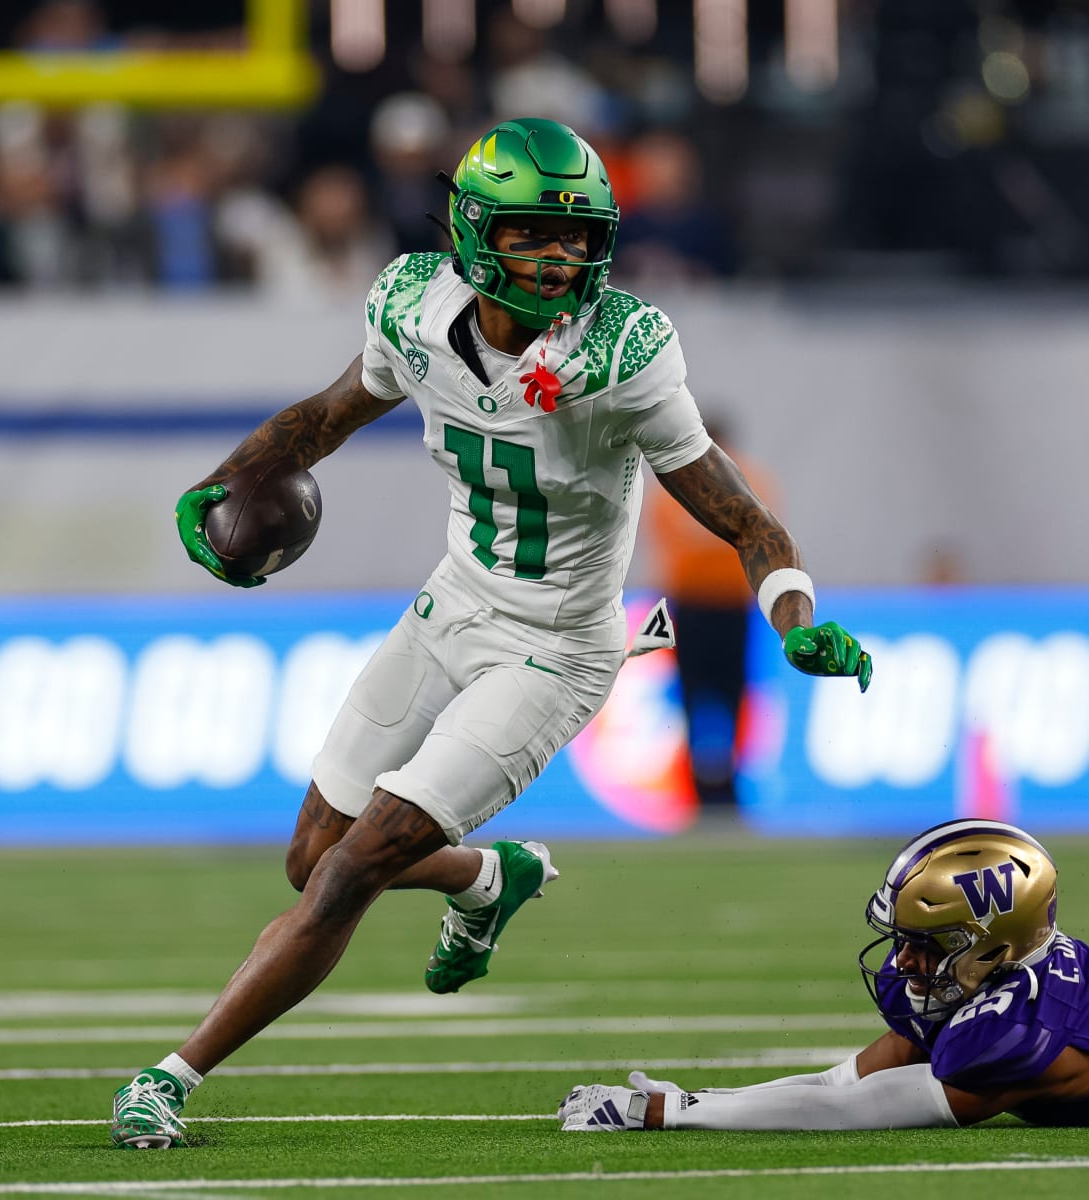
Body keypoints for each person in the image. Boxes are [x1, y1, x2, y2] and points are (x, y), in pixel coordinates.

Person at [109, 117, 874, 1149]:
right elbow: (326, 417)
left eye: (577, 237)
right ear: (474, 233)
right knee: (312, 856)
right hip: (449, 607)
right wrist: (223, 482)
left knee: (349, 870)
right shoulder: (415, 303)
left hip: (555, 649)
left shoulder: (623, 349)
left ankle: (172, 1075)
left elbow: (743, 518)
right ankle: (486, 875)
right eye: (532, 234)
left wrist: (795, 616)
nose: (561, 258)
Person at [558, 717, 1089, 1131]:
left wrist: (677, 1112)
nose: (906, 963)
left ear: (993, 945)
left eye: (927, 946)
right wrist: (694, 1100)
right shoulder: (991, 986)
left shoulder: (1018, 1035)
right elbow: (847, 1077)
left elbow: (854, 1111)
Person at [643, 419, 777, 816]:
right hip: (696, 606)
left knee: (730, 696)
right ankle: (699, 788)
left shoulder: (746, 481)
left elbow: (757, 535)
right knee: (693, 697)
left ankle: (728, 787)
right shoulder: (676, 485)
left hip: (730, 607)